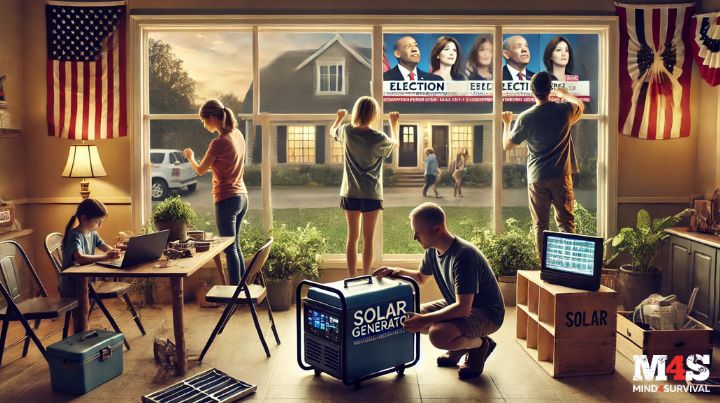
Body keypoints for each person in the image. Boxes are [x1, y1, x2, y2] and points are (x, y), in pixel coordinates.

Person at [373, 203, 504, 379]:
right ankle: (459, 347)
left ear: (436, 229)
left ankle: (480, 345)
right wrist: (395, 271)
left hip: (487, 313)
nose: (414, 237)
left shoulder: (464, 256)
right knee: (409, 317)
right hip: (459, 305)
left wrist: (425, 320)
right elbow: (421, 277)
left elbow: (463, 309)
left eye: (418, 232)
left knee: (437, 335)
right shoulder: (433, 250)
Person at [502, 71, 584, 258]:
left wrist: (507, 124)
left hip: (537, 177)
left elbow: (507, 145)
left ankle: (543, 266)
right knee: (566, 222)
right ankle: (567, 264)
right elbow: (580, 105)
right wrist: (564, 94)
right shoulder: (564, 110)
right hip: (560, 176)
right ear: (550, 90)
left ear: (532, 92)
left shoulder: (526, 117)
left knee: (540, 225)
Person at [331, 97, 399, 277]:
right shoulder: (378, 137)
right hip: (371, 194)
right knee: (368, 239)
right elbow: (395, 143)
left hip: (350, 192)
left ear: (356, 112)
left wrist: (339, 117)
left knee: (352, 238)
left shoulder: (346, 131)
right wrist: (393, 123)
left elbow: (332, 131)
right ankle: (366, 274)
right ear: (373, 114)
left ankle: (352, 276)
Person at [184, 100, 248, 285]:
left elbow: (200, 170)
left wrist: (190, 157)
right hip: (242, 197)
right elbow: (227, 164)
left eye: (204, 121)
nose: (204, 125)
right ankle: (242, 289)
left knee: (230, 249)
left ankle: (235, 295)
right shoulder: (237, 134)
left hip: (227, 199)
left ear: (212, 118)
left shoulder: (218, 142)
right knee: (235, 245)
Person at [60, 199, 121, 297]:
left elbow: (105, 248)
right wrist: (105, 256)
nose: (100, 225)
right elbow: (80, 258)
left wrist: (113, 251)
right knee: (83, 309)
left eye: (101, 222)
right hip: (73, 285)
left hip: (88, 281)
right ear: (84, 219)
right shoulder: (75, 235)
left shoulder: (93, 233)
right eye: (97, 221)